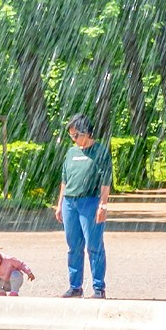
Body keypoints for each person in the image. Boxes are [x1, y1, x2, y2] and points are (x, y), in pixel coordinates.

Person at [55, 114, 111, 298]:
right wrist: (60, 204)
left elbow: (105, 180)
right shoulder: (71, 152)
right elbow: (65, 179)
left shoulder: (100, 152)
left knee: (94, 246)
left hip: (90, 201)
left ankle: (98, 288)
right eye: (71, 136)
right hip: (70, 202)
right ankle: (75, 286)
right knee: (73, 246)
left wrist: (103, 204)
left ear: (87, 132)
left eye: (76, 135)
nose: (74, 139)